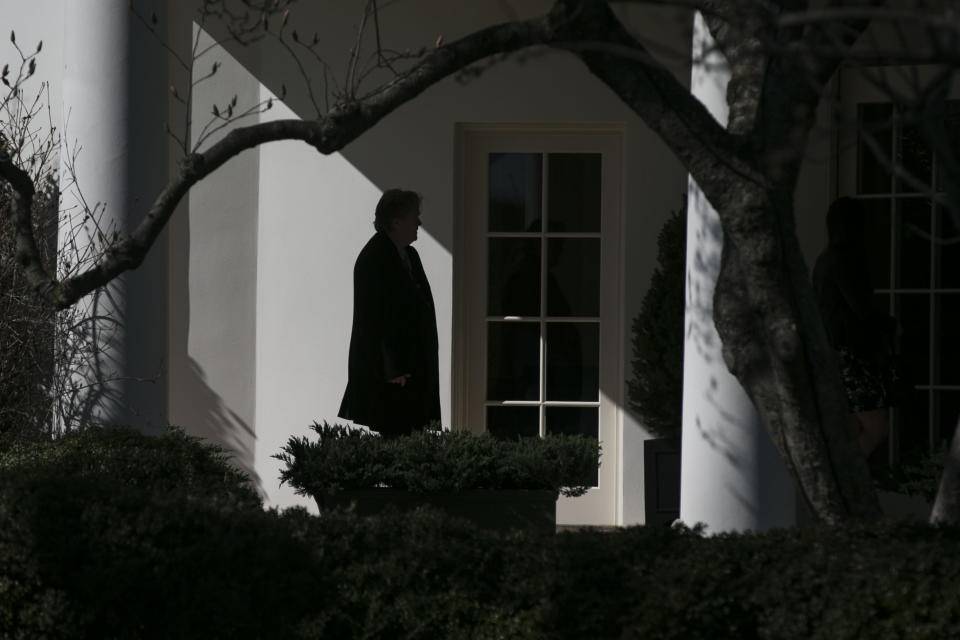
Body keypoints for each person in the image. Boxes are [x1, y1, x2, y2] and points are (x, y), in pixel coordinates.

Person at [338, 189, 440, 438]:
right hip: (392, 376)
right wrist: (391, 368)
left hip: (413, 368)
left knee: (413, 437)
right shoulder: (375, 257)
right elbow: (372, 318)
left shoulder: (409, 256)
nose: (419, 223)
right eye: (414, 217)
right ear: (396, 222)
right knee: (396, 437)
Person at [812, 197, 894, 457]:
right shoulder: (842, 260)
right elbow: (861, 308)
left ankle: (840, 483)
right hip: (851, 355)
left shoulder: (825, 260)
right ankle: (846, 483)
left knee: (853, 427)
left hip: (835, 353)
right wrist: (888, 325)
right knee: (875, 427)